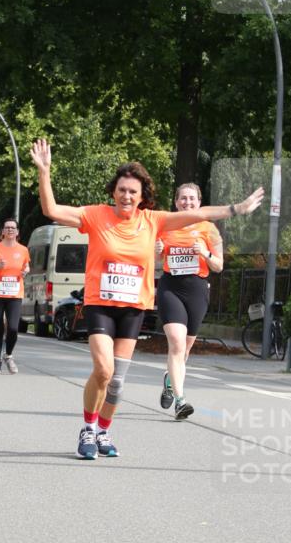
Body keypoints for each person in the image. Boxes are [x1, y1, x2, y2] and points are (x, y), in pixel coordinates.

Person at [30, 138, 263, 460]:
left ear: (142, 198)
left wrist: (236, 209)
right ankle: (87, 428)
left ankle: (103, 431)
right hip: (100, 303)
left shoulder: (153, 221)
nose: (126, 196)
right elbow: (51, 210)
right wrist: (45, 172)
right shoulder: (95, 216)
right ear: (114, 191)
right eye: (122, 190)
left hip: (133, 307)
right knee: (103, 370)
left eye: (133, 192)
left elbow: (199, 214)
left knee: (117, 383)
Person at [156, 183, 224, 420]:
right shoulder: (165, 225)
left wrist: (204, 253)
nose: (187, 202)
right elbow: (151, 258)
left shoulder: (210, 229)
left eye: (192, 199)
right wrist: (158, 250)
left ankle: (169, 381)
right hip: (170, 288)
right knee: (176, 343)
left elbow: (219, 265)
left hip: (196, 290)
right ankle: (181, 402)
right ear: (176, 202)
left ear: (199, 202)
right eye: (183, 199)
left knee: (184, 351)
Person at [0, 218, 30, 374]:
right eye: (7, 227)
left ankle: (8, 355)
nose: (10, 230)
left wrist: (26, 271)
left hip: (15, 293)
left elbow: (26, 265)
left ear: (17, 232)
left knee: (14, 327)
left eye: (12, 228)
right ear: (2, 231)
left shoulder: (23, 250)